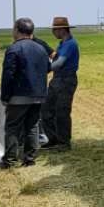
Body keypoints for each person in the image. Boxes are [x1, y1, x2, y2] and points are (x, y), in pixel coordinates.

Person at [0, 18, 50, 167]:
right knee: (32, 127)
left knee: (13, 127)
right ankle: (29, 159)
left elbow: (8, 75)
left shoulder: (14, 49)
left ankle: (10, 161)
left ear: (17, 30)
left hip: (18, 95)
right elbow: (48, 68)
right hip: (39, 95)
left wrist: (5, 97)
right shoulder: (40, 48)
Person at [40, 15, 79, 152]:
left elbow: (59, 63)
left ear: (62, 29)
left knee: (62, 111)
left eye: (54, 30)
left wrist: (45, 69)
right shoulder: (63, 44)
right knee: (46, 109)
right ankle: (53, 139)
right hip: (57, 80)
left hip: (66, 80)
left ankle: (64, 143)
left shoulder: (70, 44)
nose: (53, 32)